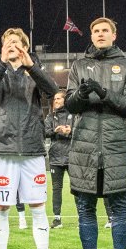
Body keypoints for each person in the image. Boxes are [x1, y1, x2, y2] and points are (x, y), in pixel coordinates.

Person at [65, 17, 126, 249]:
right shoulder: (79, 65)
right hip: (83, 147)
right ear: (91, 35)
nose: (100, 34)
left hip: (115, 146)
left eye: (105, 30)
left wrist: (104, 93)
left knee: (119, 208)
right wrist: (81, 94)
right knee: (85, 208)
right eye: (96, 31)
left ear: (114, 35)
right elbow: (70, 105)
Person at [0, 29, 60, 249]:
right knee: (1, 207)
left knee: (37, 206)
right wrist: (2, 63)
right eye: (8, 42)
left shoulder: (34, 70)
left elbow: (53, 90)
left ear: (25, 46)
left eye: (16, 42)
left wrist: (31, 66)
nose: (12, 45)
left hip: (31, 147)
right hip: (2, 148)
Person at [45, 90, 74, 228]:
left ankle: (83, 218)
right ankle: (57, 219)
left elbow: (80, 131)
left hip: (72, 156)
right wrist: (54, 131)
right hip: (55, 157)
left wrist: (70, 131)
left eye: (58, 98)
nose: (55, 101)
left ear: (65, 100)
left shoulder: (73, 114)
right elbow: (44, 132)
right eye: (54, 99)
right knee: (56, 189)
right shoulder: (50, 116)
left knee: (77, 188)